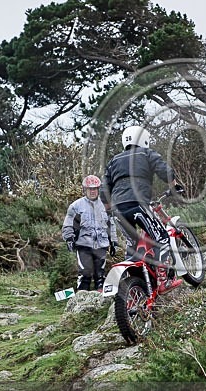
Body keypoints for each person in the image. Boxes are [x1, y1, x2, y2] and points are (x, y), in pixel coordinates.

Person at [102, 125, 183, 294]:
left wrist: (109, 209)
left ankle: (132, 286)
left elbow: (105, 191)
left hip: (118, 209)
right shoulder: (146, 153)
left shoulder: (114, 160)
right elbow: (165, 171)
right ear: (143, 139)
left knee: (133, 245)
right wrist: (175, 187)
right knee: (162, 238)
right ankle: (163, 280)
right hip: (138, 204)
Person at [62, 174, 118, 291]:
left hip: (101, 245)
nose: (92, 191)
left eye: (95, 189)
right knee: (85, 274)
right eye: (90, 189)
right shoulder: (76, 206)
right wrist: (69, 239)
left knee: (100, 275)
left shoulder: (105, 206)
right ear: (85, 190)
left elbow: (111, 224)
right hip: (84, 245)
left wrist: (113, 242)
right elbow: (68, 224)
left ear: (98, 189)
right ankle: (81, 299)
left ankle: (100, 302)